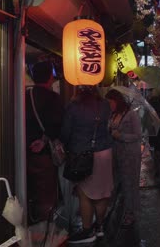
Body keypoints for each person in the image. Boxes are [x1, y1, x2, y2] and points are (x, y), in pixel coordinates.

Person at [61, 86, 113, 244]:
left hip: (82, 155)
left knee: (85, 193)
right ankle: (100, 227)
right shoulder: (105, 104)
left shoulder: (73, 106)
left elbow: (65, 132)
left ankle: (87, 229)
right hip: (104, 152)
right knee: (102, 193)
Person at [25, 61, 63, 224]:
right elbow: (59, 125)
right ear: (50, 77)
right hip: (44, 153)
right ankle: (44, 228)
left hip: (24, 151)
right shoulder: (53, 98)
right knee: (46, 191)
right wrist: (44, 140)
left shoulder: (25, 95)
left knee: (29, 188)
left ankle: (31, 221)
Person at [105, 89, 142, 226]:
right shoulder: (112, 115)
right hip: (116, 153)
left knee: (129, 184)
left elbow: (138, 135)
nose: (109, 105)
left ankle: (130, 213)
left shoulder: (131, 114)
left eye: (110, 102)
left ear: (117, 101)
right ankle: (117, 208)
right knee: (116, 183)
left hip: (130, 155)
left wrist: (121, 136)